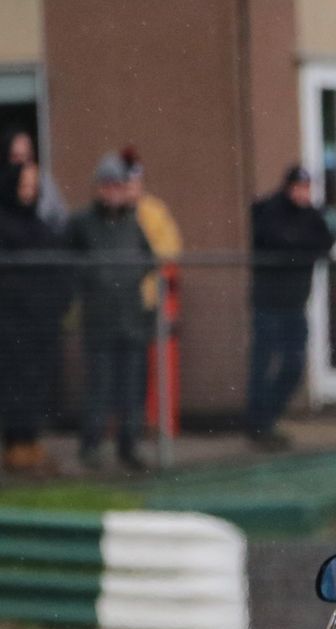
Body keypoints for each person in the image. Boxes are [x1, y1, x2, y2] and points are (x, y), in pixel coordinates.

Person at [66, 153, 155, 470]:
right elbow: (65, 262)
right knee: (99, 386)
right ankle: (91, 446)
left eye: (118, 185)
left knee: (131, 388)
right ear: (98, 189)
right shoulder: (81, 224)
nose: (113, 191)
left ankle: (128, 448)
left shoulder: (133, 222)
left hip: (131, 318)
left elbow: (150, 259)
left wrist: (127, 278)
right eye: (107, 185)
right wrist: (94, 280)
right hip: (99, 320)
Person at [246, 164, 335, 448]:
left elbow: (324, 244)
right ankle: (257, 423)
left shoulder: (311, 215)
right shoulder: (269, 211)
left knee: (294, 365)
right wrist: (298, 245)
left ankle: (266, 418)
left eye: (307, 188)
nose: (303, 194)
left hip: (295, 304)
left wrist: (298, 244)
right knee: (262, 365)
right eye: (299, 187)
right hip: (269, 303)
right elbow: (274, 240)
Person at [0, 160, 70, 475]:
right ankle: (15, 443)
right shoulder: (5, 224)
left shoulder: (41, 226)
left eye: (33, 186)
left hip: (38, 323)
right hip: (11, 322)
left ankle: (28, 441)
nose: (28, 192)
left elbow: (56, 266)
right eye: (23, 185)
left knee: (33, 382)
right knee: (13, 383)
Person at [122, 148, 184, 439]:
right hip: (121, 303)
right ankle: (129, 424)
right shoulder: (111, 213)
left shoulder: (154, 211)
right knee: (126, 367)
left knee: (152, 366)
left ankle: (154, 422)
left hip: (149, 301)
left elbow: (171, 248)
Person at [5, 129, 67, 230]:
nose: (22, 161)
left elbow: (61, 219)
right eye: (16, 157)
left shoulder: (45, 181)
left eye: (26, 156)